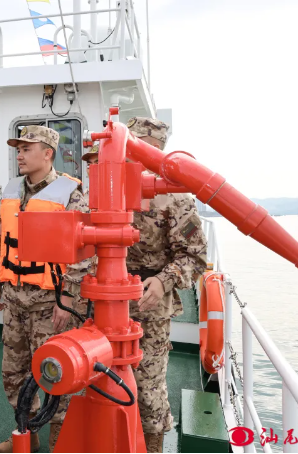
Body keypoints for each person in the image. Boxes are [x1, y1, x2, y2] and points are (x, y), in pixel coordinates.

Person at [0, 125, 90, 453]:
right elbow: (0, 240)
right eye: (18, 149)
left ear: (48, 153)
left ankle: (60, 440)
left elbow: (84, 252)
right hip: (14, 298)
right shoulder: (11, 189)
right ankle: (26, 433)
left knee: (56, 371)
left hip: (50, 302)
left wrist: (67, 298)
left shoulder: (70, 193)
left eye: (26, 149)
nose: (19, 155)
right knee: (13, 372)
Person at [126, 116, 208, 453]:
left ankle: (153, 446)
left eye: (139, 147)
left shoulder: (175, 197)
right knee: (102, 376)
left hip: (151, 307)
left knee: (148, 387)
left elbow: (195, 256)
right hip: (106, 302)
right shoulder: (109, 188)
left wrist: (163, 281)